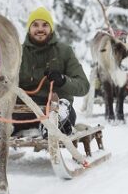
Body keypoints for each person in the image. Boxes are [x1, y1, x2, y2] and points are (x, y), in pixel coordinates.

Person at [12, 7, 90, 137]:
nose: (40, 29)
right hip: (24, 110)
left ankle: (52, 126)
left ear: (51, 28)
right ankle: (1, 127)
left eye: (45, 25)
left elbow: (83, 86)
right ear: (29, 28)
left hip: (56, 107)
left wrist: (63, 80)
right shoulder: (17, 53)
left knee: (59, 115)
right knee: (1, 120)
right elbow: (4, 83)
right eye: (35, 25)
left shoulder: (65, 52)